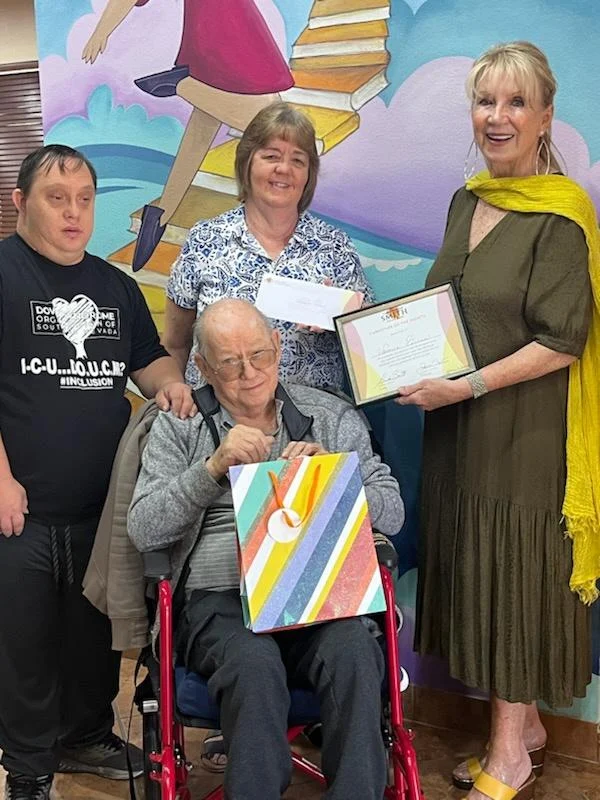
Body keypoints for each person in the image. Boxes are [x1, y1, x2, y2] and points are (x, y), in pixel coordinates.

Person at [396, 42, 600, 800]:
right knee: (477, 570)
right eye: (486, 101)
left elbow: (561, 340)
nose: (498, 117)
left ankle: (509, 754)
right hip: (458, 431)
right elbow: (444, 309)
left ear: (546, 115)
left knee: (515, 573)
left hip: (525, 432)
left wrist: (466, 386)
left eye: (516, 103)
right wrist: (371, 329)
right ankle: (529, 731)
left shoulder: (561, 214)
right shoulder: (466, 199)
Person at [128, 298, 404, 800]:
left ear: (278, 346)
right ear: (204, 367)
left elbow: (392, 509)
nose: (250, 372)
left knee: (356, 652)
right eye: (229, 362)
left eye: (259, 354)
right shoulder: (182, 423)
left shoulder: (328, 416)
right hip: (220, 602)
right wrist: (209, 471)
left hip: (317, 597)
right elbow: (144, 529)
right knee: (254, 665)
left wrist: (334, 481)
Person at [0, 144, 195, 800]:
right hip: (20, 508)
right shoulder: (2, 274)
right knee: (23, 645)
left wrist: (174, 389)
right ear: (22, 202)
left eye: (84, 198)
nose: (74, 212)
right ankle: (28, 769)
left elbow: (149, 359)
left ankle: (85, 736)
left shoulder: (116, 288)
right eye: (57, 199)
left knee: (94, 637)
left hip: (103, 510)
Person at [164, 101, 373, 389]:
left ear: (308, 175)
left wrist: (347, 322)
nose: (284, 169)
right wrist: (178, 404)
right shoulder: (205, 240)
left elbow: (369, 352)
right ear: (247, 162)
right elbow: (176, 344)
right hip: (218, 424)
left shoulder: (335, 248)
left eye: (298, 160)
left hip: (314, 425)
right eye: (271, 156)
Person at [82, 0, 294, 270]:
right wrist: (102, 30)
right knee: (272, 119)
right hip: (226, 30)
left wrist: (102, 30)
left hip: (222, 27)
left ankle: (160, 215)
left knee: (200, 133)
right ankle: (182, 85)